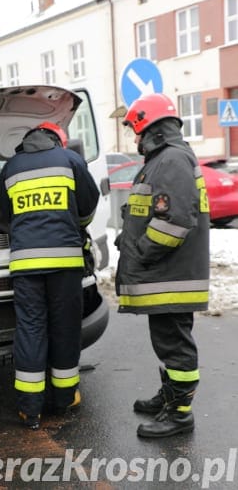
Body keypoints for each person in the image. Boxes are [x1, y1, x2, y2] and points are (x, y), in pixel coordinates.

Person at [0, 122, 100, 430]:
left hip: (26, 266)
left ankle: (30, 410)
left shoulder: (11, 167)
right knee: (65, 328)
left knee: (30, 329)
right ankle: (65, 399)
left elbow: (6, 213)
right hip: (65, 263)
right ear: (57, 140)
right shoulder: (70, 160)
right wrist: (75, 223)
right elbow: (89, 204)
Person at [118, 93, 209, 438]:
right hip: (167, 273)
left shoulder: (170, 160)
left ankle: (180, 415)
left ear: (148, 126)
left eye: (135, 130)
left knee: (175, 344)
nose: (135, 138)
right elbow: (151, 212)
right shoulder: (166, 158)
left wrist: (140, 252)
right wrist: (128, 240)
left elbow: (174, 222)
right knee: (167, 341)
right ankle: (170, 398)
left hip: (170, 275)